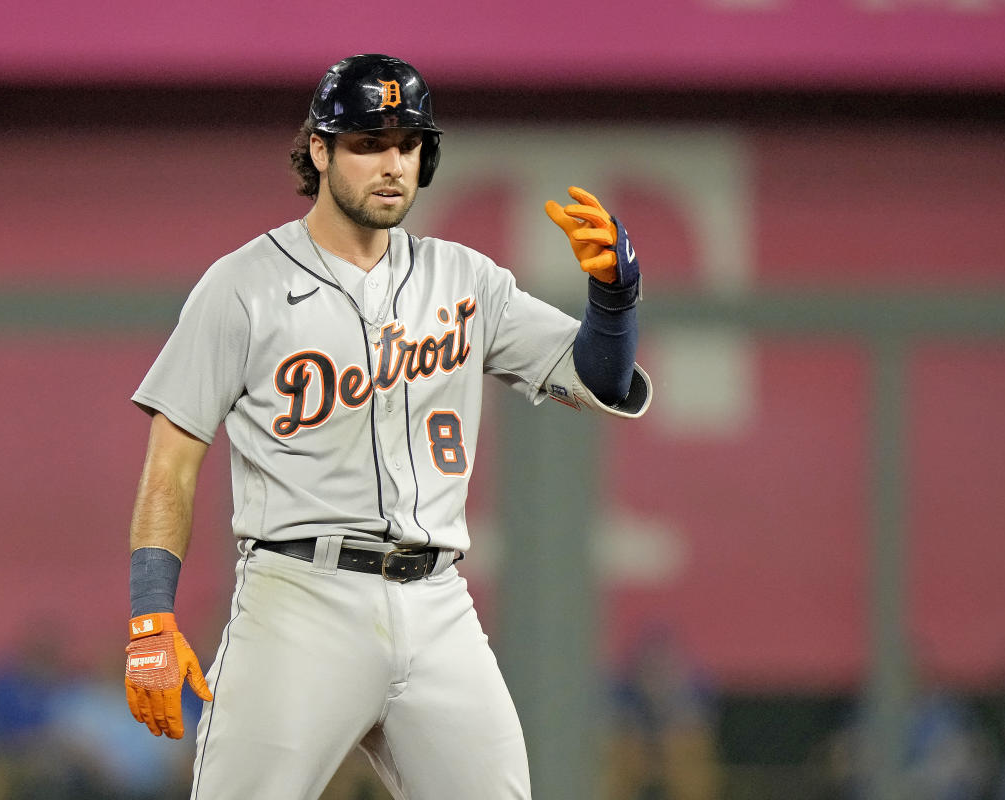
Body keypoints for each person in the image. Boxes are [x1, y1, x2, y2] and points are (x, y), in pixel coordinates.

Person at [122, 53, 652, 800]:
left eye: (407, 144)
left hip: (437, 602)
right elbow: (170, 463)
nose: (391, 163)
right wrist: (150, 616)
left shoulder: (466, 280)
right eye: (368, 143)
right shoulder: (243, 286)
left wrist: (615, 299)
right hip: (299, 598)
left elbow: (598, 378)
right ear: (319, 149)